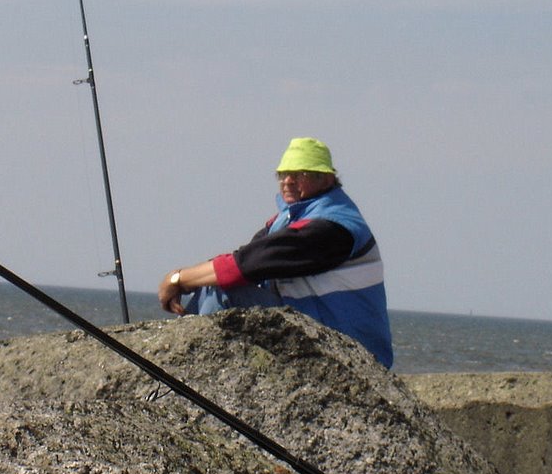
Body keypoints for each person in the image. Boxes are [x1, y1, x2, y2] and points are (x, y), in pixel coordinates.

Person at [158, 137, 393, 368]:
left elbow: (248, 265)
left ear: (327, 179)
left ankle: (180, 368)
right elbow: (243, 258)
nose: (288, 181)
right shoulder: (291, 217)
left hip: (352, 349)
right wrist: (188, 280)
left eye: (301, 174)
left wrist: (178, 279)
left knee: (223, 292)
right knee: (215, 284)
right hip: (318, 325)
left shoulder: (332, 227)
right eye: (283, 174)